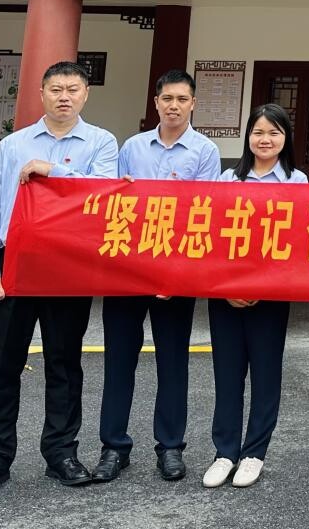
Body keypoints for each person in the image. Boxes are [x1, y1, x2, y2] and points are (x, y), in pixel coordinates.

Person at [0, 61, 119, 500]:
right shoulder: (12, 145)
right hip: (14, 264)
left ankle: (61, 454)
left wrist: (53, 171)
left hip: (69, 266)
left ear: (86, 94)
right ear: (41, 93)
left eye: (73, 89)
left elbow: (103, 193)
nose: (64, 97)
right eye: (56, 89)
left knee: (64, 364)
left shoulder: (102, 142)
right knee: (1, 367)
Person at [94, 69, 221, 485]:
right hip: (128, 274)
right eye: (167, 98)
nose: (174, 106)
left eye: (182, 99)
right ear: (156, 103)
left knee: (173, 362)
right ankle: (114, 447)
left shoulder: (205, 151)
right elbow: (115, 207)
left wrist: (176, 275)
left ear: (193, 104)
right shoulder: (131, 147)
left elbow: (203, 215)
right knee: (118, 361)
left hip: (174, 278)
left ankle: (170, 447)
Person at [201, 104, 306, 490]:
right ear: (248, 137)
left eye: (274, 133)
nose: (265, 140)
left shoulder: (297, 181)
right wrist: (227, 287)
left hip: (271, 297)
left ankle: (254, 454)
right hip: (225, 295)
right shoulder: (228, 179)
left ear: (285, 139)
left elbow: (297, 241)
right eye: (259, 132)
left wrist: (264, 286)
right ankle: (225, 452)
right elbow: (213, 236)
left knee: (265, 375)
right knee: (227, 375)